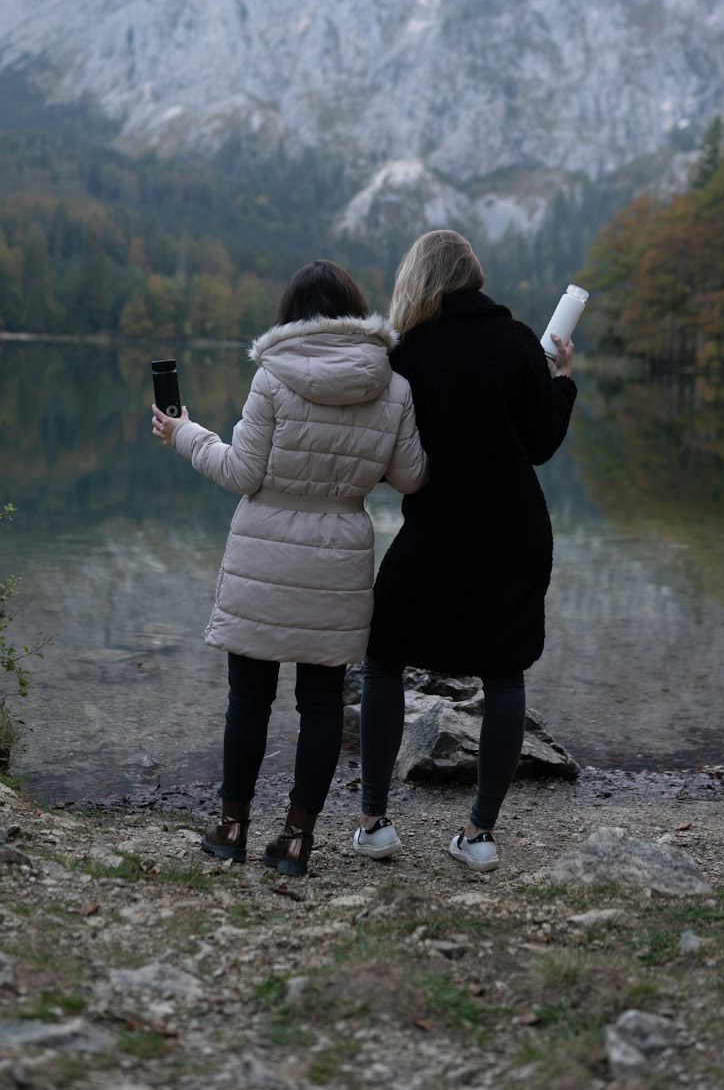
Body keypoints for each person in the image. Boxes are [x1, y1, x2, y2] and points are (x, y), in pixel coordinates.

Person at [151, 260, 427, 877]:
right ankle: (297, 842)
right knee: (323, 703)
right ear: (354, 312)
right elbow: (411, 476)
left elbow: (243, 473)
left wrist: (184, 433)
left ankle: (230, 830)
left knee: (248, 700)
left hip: (264, 550)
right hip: (341, 553)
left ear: (291, 316)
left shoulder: (272, 378)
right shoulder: (396, 386)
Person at [353, 230, 576, 873]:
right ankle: (479, 836)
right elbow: (539, 443)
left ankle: (372, 822)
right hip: (514, 533)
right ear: (474, 277)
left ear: (419, 281)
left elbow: (385, 445)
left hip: (437, 532)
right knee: (505, 673)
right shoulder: (517, 341)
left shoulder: (407, 352)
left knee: (384, 656)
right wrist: (561, 381)